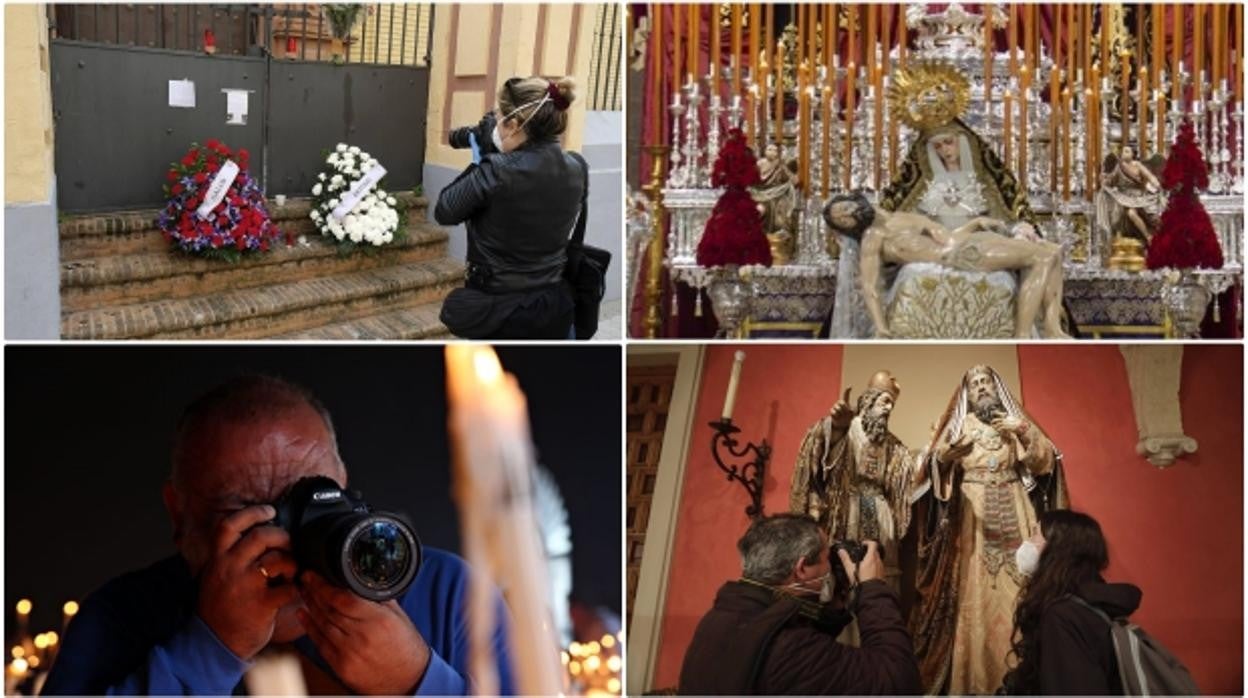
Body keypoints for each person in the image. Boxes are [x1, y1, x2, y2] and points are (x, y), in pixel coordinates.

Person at [43, 376, 516, 695]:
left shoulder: (449, 593)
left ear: (344, 485)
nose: (286, 542)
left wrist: (415, 679)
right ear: (180, 514)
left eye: (312, 503)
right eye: (246, 514)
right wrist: (211, 647)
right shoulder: (117, 618)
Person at [908, 365, 1069, 695]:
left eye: (986, 382)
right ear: (967, 393)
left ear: (996, 388)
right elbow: (930, 469)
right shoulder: (958, 426)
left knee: (1022, 589)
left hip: (1015, 510)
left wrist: (1021, 429)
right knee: (975, 594)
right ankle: (976, 682)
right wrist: (945, 458)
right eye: (975, 384)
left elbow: (1044, 463)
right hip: (973, 516)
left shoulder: (1013, 424)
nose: (981, 387)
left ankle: (1024, 680)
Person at [678, 513, 922, 695]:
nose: (832, 566)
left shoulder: (722, 616)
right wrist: (873, 588)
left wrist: (837, 604)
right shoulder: (789, 649)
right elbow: (899, 681)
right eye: (828, 558)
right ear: (802, 568)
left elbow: (798, 653)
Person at [435, 76, 584, 340]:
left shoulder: (498, 170)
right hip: (553, 306)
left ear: (514, 124)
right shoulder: (577, 166)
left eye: (499, 118)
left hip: (503, 311)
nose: (496, 128)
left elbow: (445, 210)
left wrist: (482, 160)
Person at [823, 192, 1068, 339]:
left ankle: (1052, 328)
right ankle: (1023, 336)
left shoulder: (897, 216)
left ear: (854, 200)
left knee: (1053, 251)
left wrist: (973, 224)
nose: (847, 216)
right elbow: (870, 287)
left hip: (965, 243)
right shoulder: (871, 237)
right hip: (960, 256)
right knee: (1041, 258)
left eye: (844, 208)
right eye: (841, 220)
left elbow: (946, 235)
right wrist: (881, 328)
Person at [790, 371, 922, 589]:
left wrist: (935, 459)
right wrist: (838, 428)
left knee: (883, 571)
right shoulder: (847, 427)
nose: (889, 408)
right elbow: (819, 453)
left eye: (892, 405)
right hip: (846, 508)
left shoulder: (893, 444)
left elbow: (907, 477)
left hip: (881, 513)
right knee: (845, 571)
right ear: (870, 398)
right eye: (886, 400)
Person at [1001, 510, 1141, 695]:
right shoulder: (1089, 605)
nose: (1028, 543)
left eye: (1035, 534)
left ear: (1057, 549)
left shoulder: (1063, 615)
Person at [1095, 146, 1163, 246]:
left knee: (1153, 215)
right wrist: (1104, 179)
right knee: (1131, 213)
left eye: (1127, 151)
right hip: (1124, 198)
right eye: (1122, 151)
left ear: (1133, 154)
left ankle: (1151, 235)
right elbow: (1111, 181)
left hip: (1140, 198)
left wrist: (1156, 183)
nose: (1124, 153)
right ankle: (1148, 236)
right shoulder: (1119, 167)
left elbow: (1150, 176)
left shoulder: (1138, 165)